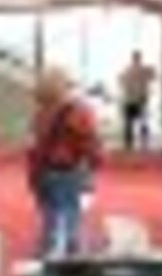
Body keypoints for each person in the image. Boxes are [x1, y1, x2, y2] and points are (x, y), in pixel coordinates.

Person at [23, 66, 103, 261]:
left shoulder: (40, 114)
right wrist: (95, 160)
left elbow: (34, 144)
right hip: (68, 169)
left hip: (44, 170)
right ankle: (71, 249)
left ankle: (47, 248)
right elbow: (88, 139)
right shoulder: (78, 112)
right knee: (70, 211)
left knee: (50, 212)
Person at [117, 49, 157, 153]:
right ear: (139, 58)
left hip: (133, 99)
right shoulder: (141, 69)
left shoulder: (129, 70)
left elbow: (120, 82)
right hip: (138, 99)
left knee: (132, 123)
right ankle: (141, 143)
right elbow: (154, 76)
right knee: (140, 122)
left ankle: (131, 144)